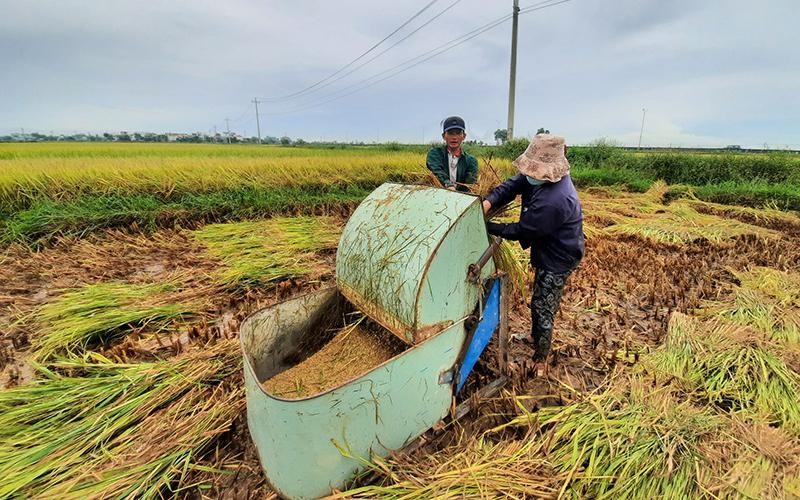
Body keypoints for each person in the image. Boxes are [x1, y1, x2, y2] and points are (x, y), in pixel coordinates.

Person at [482, 134, 584, 364]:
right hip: (546, 245)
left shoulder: (556, 200)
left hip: (559, 256)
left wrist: (487, 226)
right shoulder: (539, 177)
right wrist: (489, 202)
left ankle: (540, 357)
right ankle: (535, 336)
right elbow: (515, 183)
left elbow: (524, 231)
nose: (528, 173)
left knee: (542, 305)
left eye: (532, 170)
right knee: (540, 299)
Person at [426, 116, 478, 192]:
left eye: (458, 133)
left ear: (464, 136)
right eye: (450, 133)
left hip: (462, 198)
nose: (454, 137)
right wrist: (448, 184)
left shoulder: (471, 161)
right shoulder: (435, 154)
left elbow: (470, 184)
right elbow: (437, 171)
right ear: (444, 136)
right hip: (439, 194)